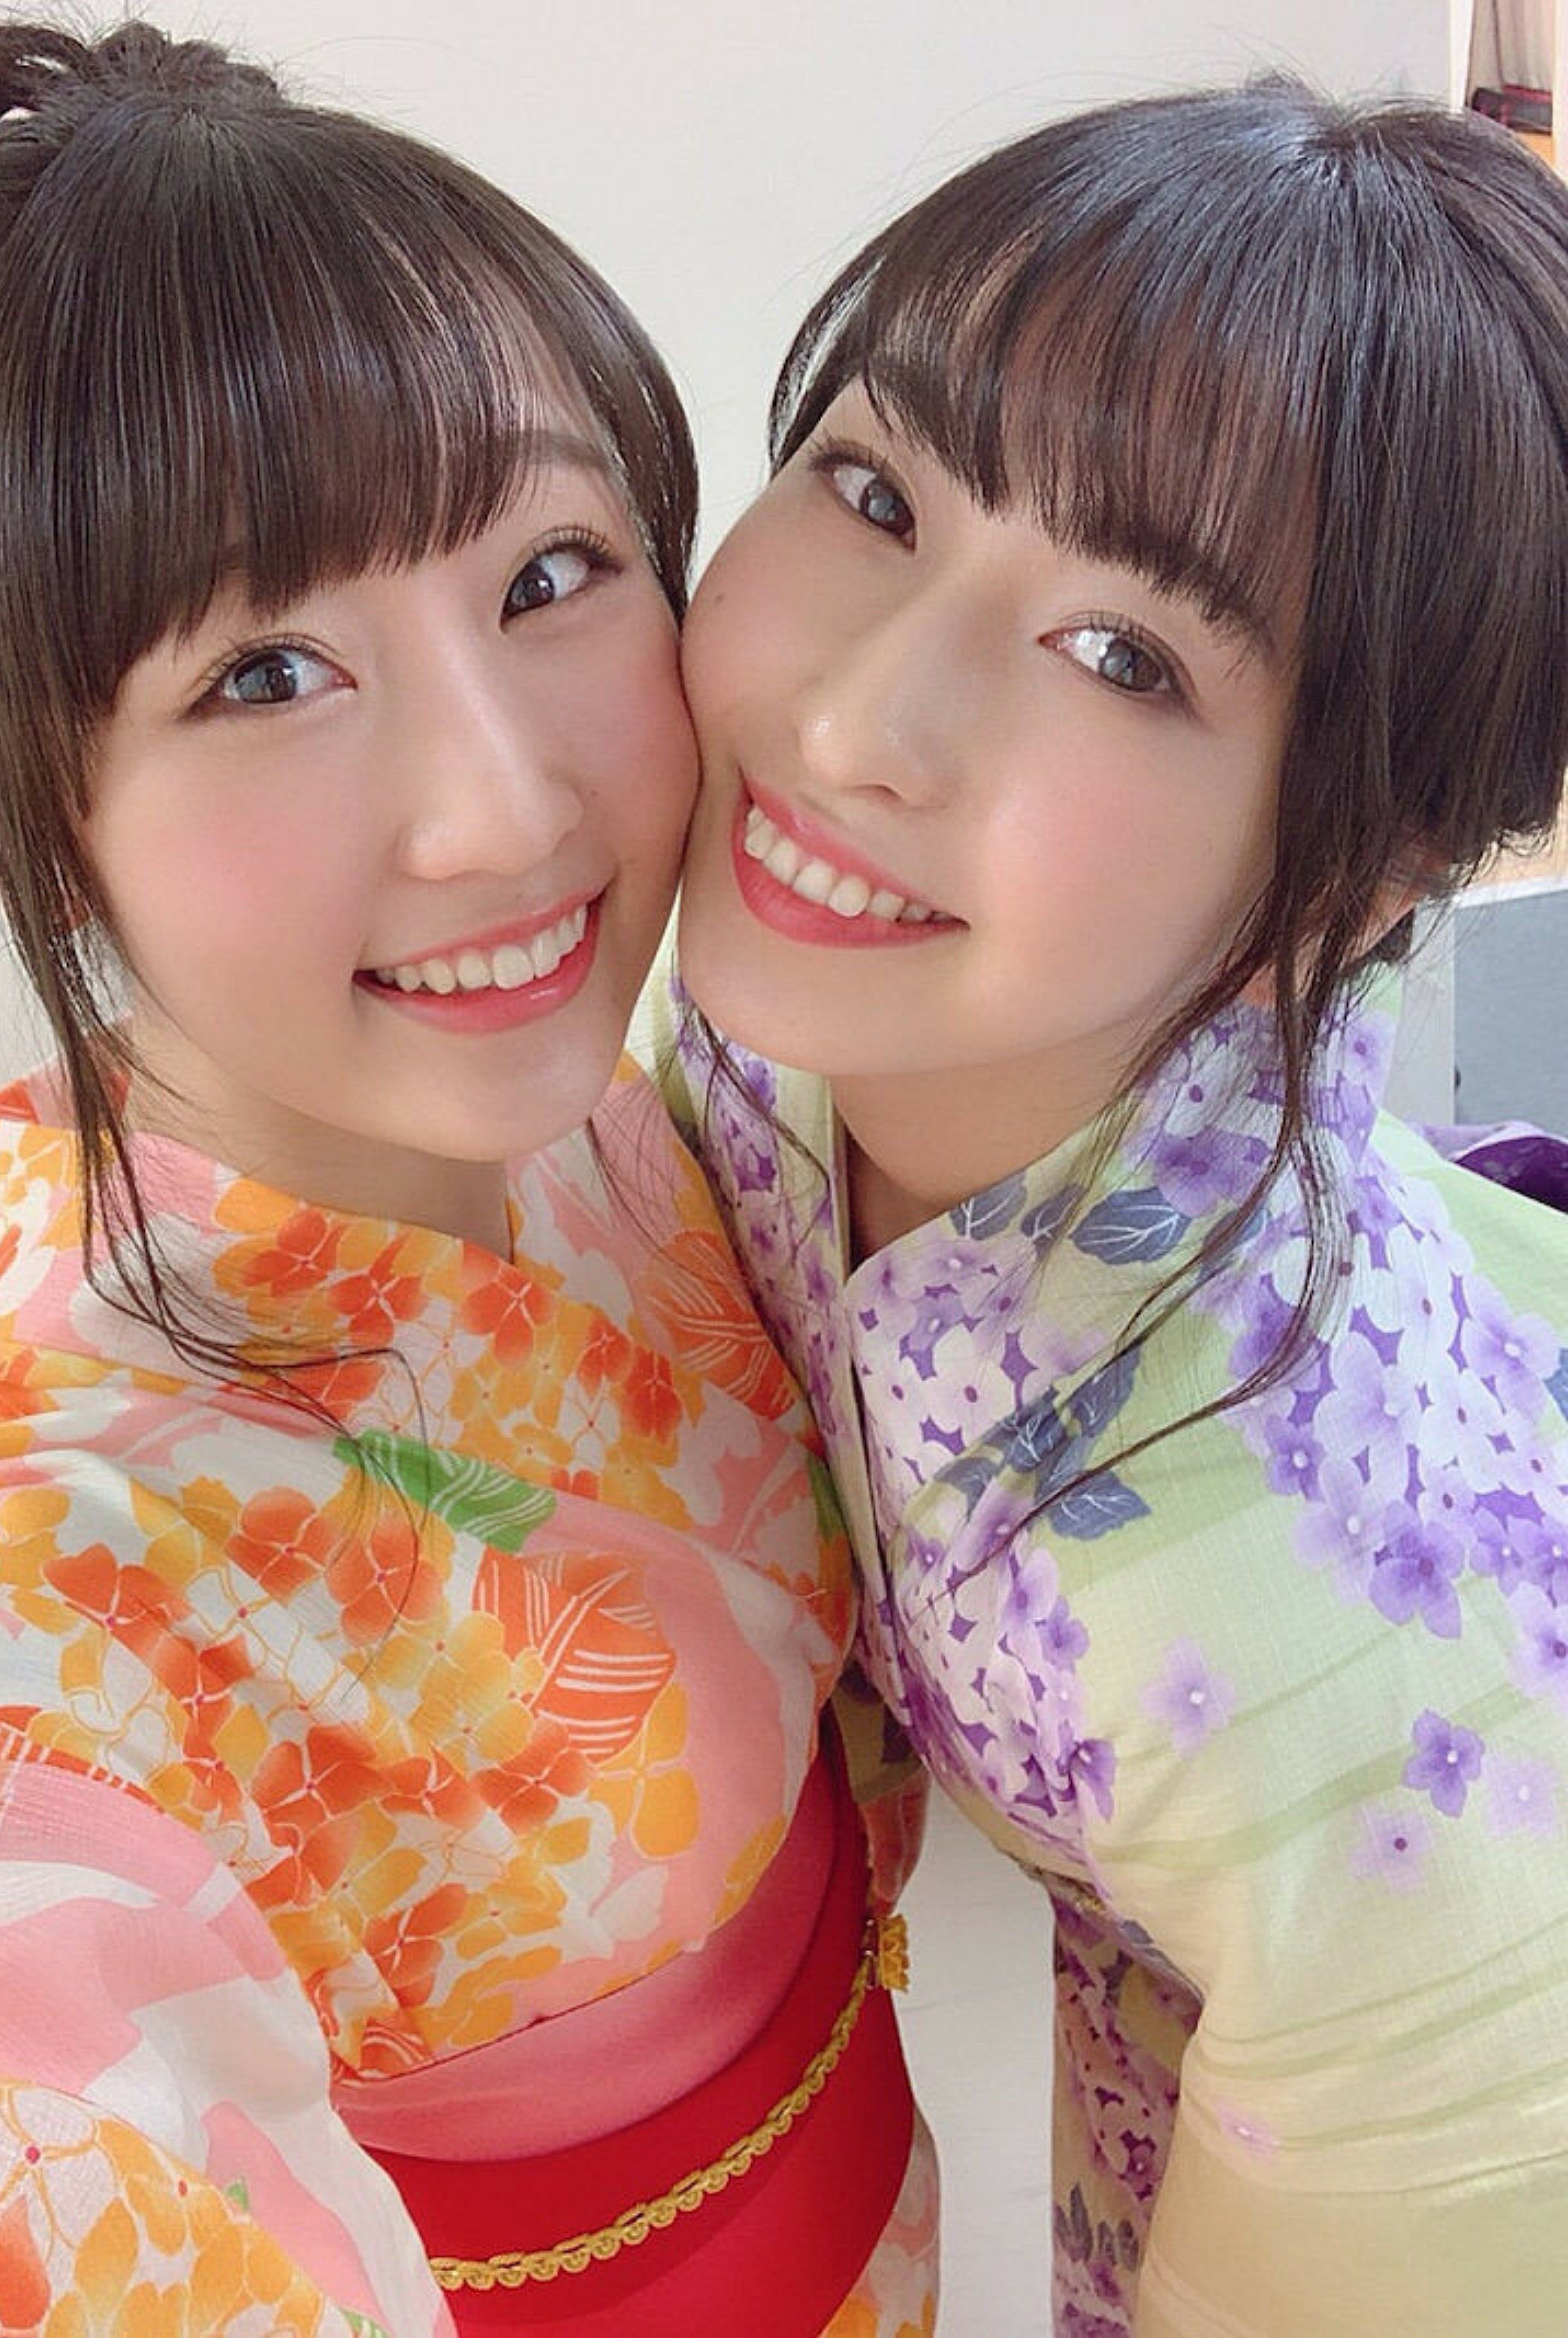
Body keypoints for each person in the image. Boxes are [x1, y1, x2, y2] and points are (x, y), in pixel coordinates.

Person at [0, 21, 938, 2333]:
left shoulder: (624, 1127)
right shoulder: (37, 1628)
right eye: (261, 674)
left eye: (552, 573)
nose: (506, 810)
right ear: (9, 819)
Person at [660, 80, 1568, 2338]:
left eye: (1128, 655)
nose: (859, 723)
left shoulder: (1325, 1688)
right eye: (875, 491)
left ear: (1355, 875)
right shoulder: (793, 1016)